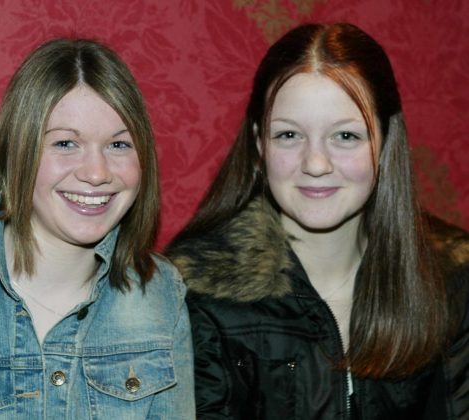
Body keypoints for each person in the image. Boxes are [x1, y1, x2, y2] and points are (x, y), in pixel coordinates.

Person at [166, 22, 469, 419]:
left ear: (385, 142)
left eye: (345, 136)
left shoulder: (452, 277)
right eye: (289, 136)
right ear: (259, 145)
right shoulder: (195, 296)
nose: (315, 164)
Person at [0, 38, 195, 418]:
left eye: (118, 145)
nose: (96, 173)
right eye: (66, 143)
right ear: (17, 152)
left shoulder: (161, 293)